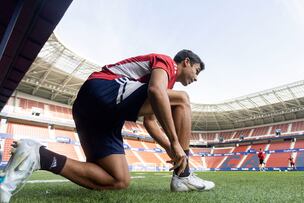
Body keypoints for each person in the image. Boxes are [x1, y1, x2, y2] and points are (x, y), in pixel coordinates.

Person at [0, 50, 215, 202]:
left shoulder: (164, 90)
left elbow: (150, 122)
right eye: (196, 71)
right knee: (183, 99)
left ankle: (38, 156)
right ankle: (184, 175)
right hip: (104, 89)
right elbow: (155, 92)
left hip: (96, 114)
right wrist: (177, 145)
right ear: (185, 62)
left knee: (117, 179)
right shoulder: (166, 62)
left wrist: (170, 148)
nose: (196, 78)